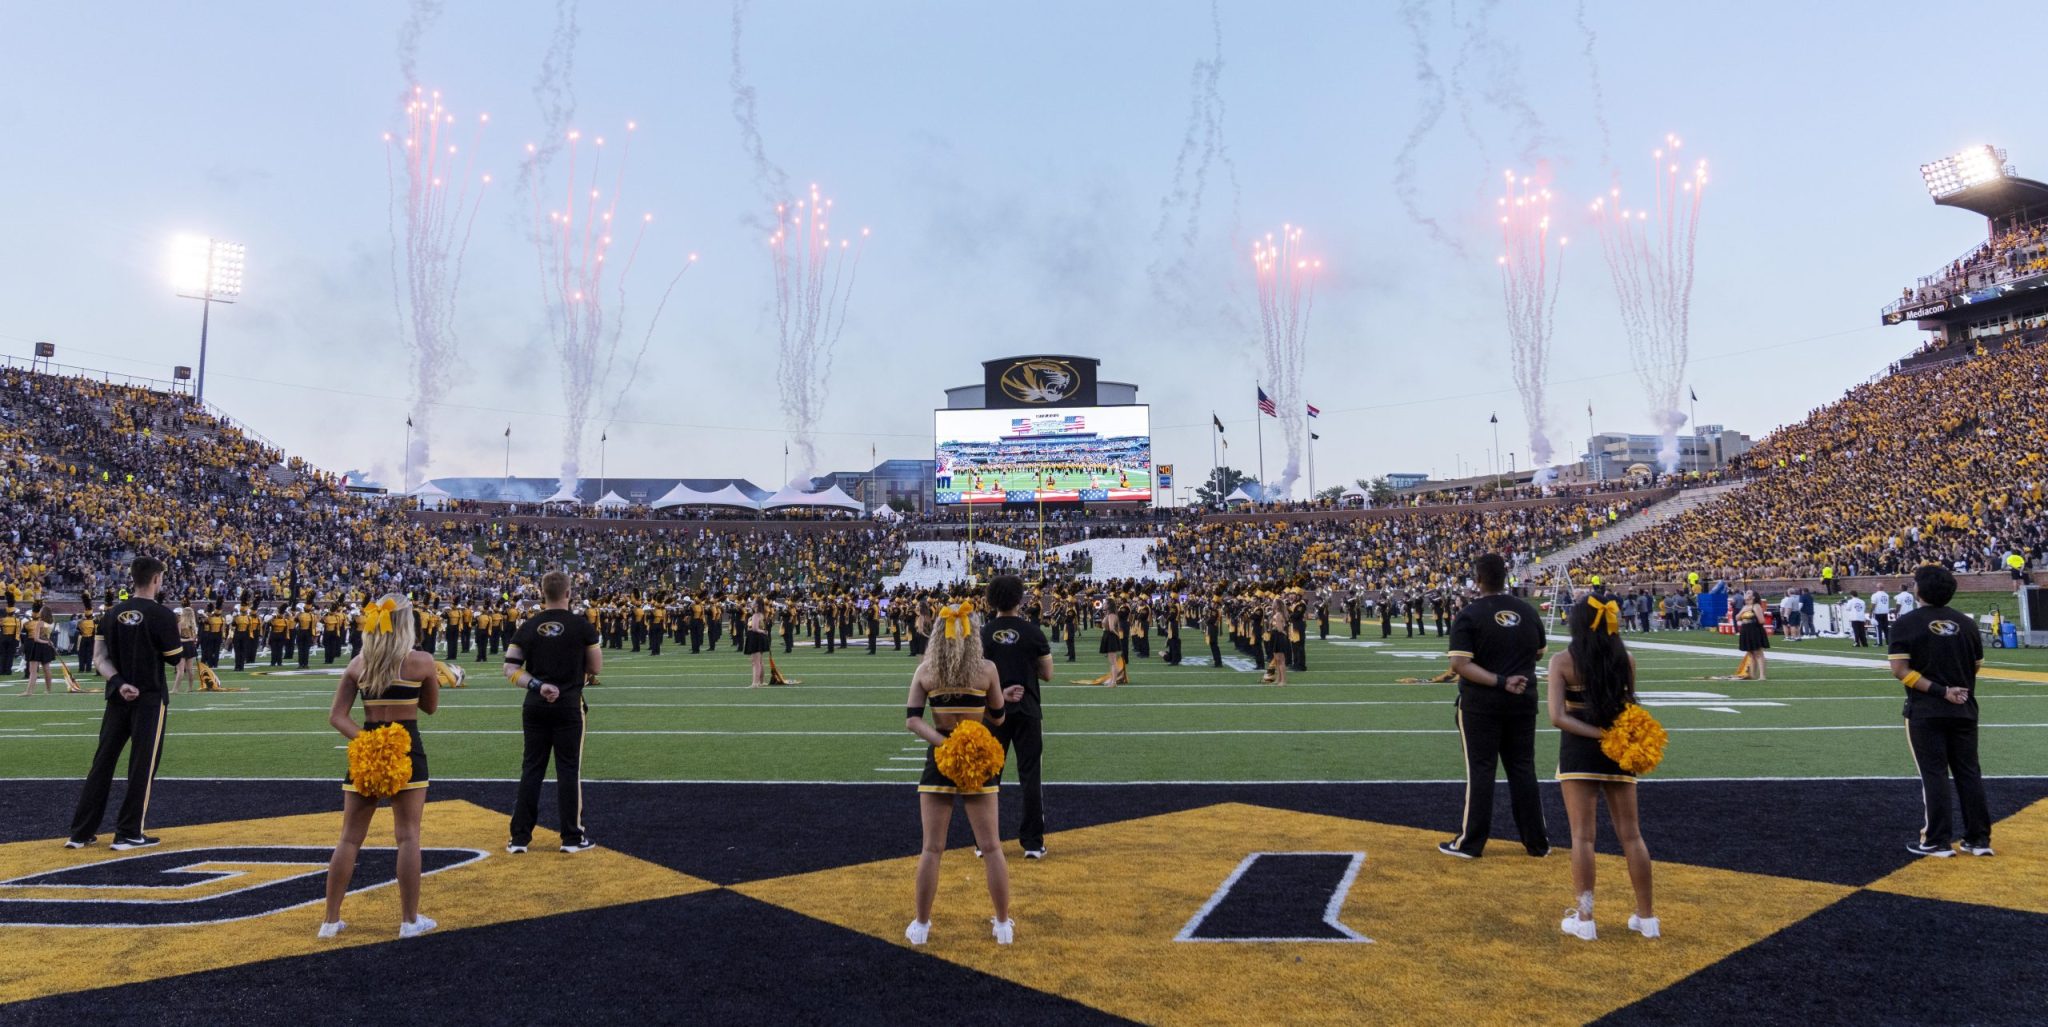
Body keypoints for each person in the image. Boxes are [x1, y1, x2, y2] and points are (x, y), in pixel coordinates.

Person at [319, 593, 440, 939]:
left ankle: (330, 921)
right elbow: (430, 708)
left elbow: (337, 717)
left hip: (365, 752)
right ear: (407, 623)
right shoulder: (421, 662)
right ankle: (409, 921)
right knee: (408, 837)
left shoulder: (359, 664)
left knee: (349, 839)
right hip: (407, 751)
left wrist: (367, 741)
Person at [1546, 595, 1657, 941]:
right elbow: (1629, 710)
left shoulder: (1562, 661)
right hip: (1620, 753)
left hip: (1580, 755)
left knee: (1583, 837)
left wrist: (1598, 734)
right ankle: (1648, 918)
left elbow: (1557, 717)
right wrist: (1617, 738)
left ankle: (1586, 919)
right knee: (1632, 835)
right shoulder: (1626, 660)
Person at [904, 600, 1013, 945]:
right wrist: (998, 701)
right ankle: (1003, 924)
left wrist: (943, 743)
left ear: (938, 633)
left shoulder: (925, 671)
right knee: (992, 847)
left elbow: (912, 720)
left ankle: (921, 926)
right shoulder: (987, 670)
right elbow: (998, 719)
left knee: (932, 849)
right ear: (973, 635)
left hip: (940, 759)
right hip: (978, 760)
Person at [67, 557, 185, 851]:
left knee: (102, 763)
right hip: (149, 697)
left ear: (133, 578)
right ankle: (129, 831)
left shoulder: (110, 613)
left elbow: (99, 659)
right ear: (157, 579)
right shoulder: (162, 614)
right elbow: (174, 657)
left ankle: (80, 833)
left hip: (116, 697)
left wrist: (120, 683)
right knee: (142, 766)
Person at [1440, 553, 1551, 860]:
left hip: (1481, 705)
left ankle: (1471, 842)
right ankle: (1537, 843)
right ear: (1506, 577)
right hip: (1523, 701)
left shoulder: (1470, 614)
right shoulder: (1527, 611)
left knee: (1481, 771)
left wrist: (1500, 680)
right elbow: (1540, 652)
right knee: (1523, 769)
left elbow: (1459, 664)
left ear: (1477, 579)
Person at [1888, 564, 1993, 858]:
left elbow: (1900, 670)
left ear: (1918, 590)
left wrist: (1939, 691)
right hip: (1964, 708)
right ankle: (1979, 839)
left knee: (1933, 774)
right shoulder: (1967, 623)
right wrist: (1954, 689)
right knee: (1969, 773)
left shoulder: (1906, 623)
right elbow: (1975, 667)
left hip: (1926, 710)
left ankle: (1936, 840)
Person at [503, 571, 602, 854]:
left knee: (532, 769)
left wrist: (537, 684)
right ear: (569, 593)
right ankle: (572, 837)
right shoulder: (582, 626)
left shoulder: (528, 626)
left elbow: (510, 668)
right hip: (569, 705)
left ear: (542, 592)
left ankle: (519, 837)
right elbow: (595, 668)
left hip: (535, 705)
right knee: (568, 770)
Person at [980, 575, 1053, 860]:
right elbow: (1047, 674)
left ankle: (982, 842)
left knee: (988, 777)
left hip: (992, 712)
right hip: (1027, 710)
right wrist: (1024, 665)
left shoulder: (984, 633)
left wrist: (999, 688)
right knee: (1030, 777)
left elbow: (974, 677)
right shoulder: (1033, 632)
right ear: (1019, 599)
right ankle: (1033, 843)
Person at [20, 603, 58, 695]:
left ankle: (29, 691)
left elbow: (36, 638)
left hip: (38, 646)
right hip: (47, 647)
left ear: (43, 613)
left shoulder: (40, 623)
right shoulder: (52, 623)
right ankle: (48, 690)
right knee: (47, 669)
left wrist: (46, 642)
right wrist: (48, 642)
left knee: (33, 671)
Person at [1735, 591, 1771, 680]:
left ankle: (1762, 675)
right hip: (1745, 630)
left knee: (1758, 653)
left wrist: (1751, 615)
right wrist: (1743, 611)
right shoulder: (1745, 607)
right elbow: (1737, 618)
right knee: (1750, 653)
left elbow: (1762, 621)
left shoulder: (1756, 606)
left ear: (1753, 597)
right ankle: (1752, 674)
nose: (1746, 593)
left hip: (1755, 630)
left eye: (1749, 593)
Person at [744, 599, 771, 688]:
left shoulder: (756, 615)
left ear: (756, 605)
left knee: (755, 662)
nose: (751, 603)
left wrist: (751, 629)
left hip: (756, 638)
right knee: (759, 661)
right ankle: (761, 681)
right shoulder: (761, 614)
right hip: (760, 638)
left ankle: (755, 683)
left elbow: (755, 629)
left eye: (753, 602)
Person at [173, 603, 199, 693]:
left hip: (183, 646)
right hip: (191, 647)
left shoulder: (181, 623)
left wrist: (187, 640)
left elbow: (177, 638)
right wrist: (190, 640)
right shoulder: (193, 625)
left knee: (180, 670)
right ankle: (190, 688)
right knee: (190, 669)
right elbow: (194, 638)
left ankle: (175, 689)